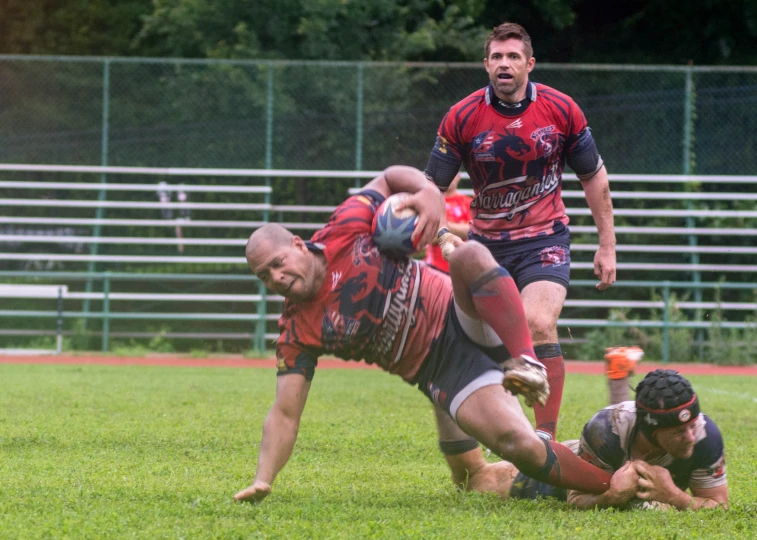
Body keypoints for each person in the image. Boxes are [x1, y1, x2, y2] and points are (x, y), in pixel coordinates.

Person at [234, 165, 614, 504]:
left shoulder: (343, 229)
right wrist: (263, 480)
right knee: (519, 446)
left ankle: (525, 360)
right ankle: (611, 485)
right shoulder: (297, 329)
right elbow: (284, 413)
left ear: (298, 244)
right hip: (440, 368)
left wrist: (429, 193)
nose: (277, 279)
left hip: (459, 311)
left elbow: (388, 177)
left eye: (278, 264)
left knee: (469, 255)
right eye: (265, 276)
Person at [424, 22, 617, 441]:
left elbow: (593, 177)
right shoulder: (462, 116)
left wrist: (607, 246)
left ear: (530, 63)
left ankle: (543, 440)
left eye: (513, 56)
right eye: (497, 57)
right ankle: (474, 438)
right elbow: (432, 189)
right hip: (484, 248)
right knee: (469, 341)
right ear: (486, 65)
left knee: (537, 321)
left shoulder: (562, 109)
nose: (504, 64)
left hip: (544, 240)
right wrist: (442, 236)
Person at [465, 369, 728, 511]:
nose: (690, 437)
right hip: (581, 463)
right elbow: (575, 499)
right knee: (480, 482)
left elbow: (718, 506)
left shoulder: (705, 436)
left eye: (692, 425)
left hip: (604, 462)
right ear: (652, 432)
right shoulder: (605, 431)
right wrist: (612, 496)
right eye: (678, 432)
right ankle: (454, 410)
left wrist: (675, 497)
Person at [423, 172, 472, 273]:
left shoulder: (468, 203)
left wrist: (441, 226)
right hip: (433, 269)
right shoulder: (431, 203)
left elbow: (472, 231)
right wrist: (460, 227)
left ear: (458, 176)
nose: (449, 177)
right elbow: (429, 237)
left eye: (452, 173)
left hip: (462, 269)